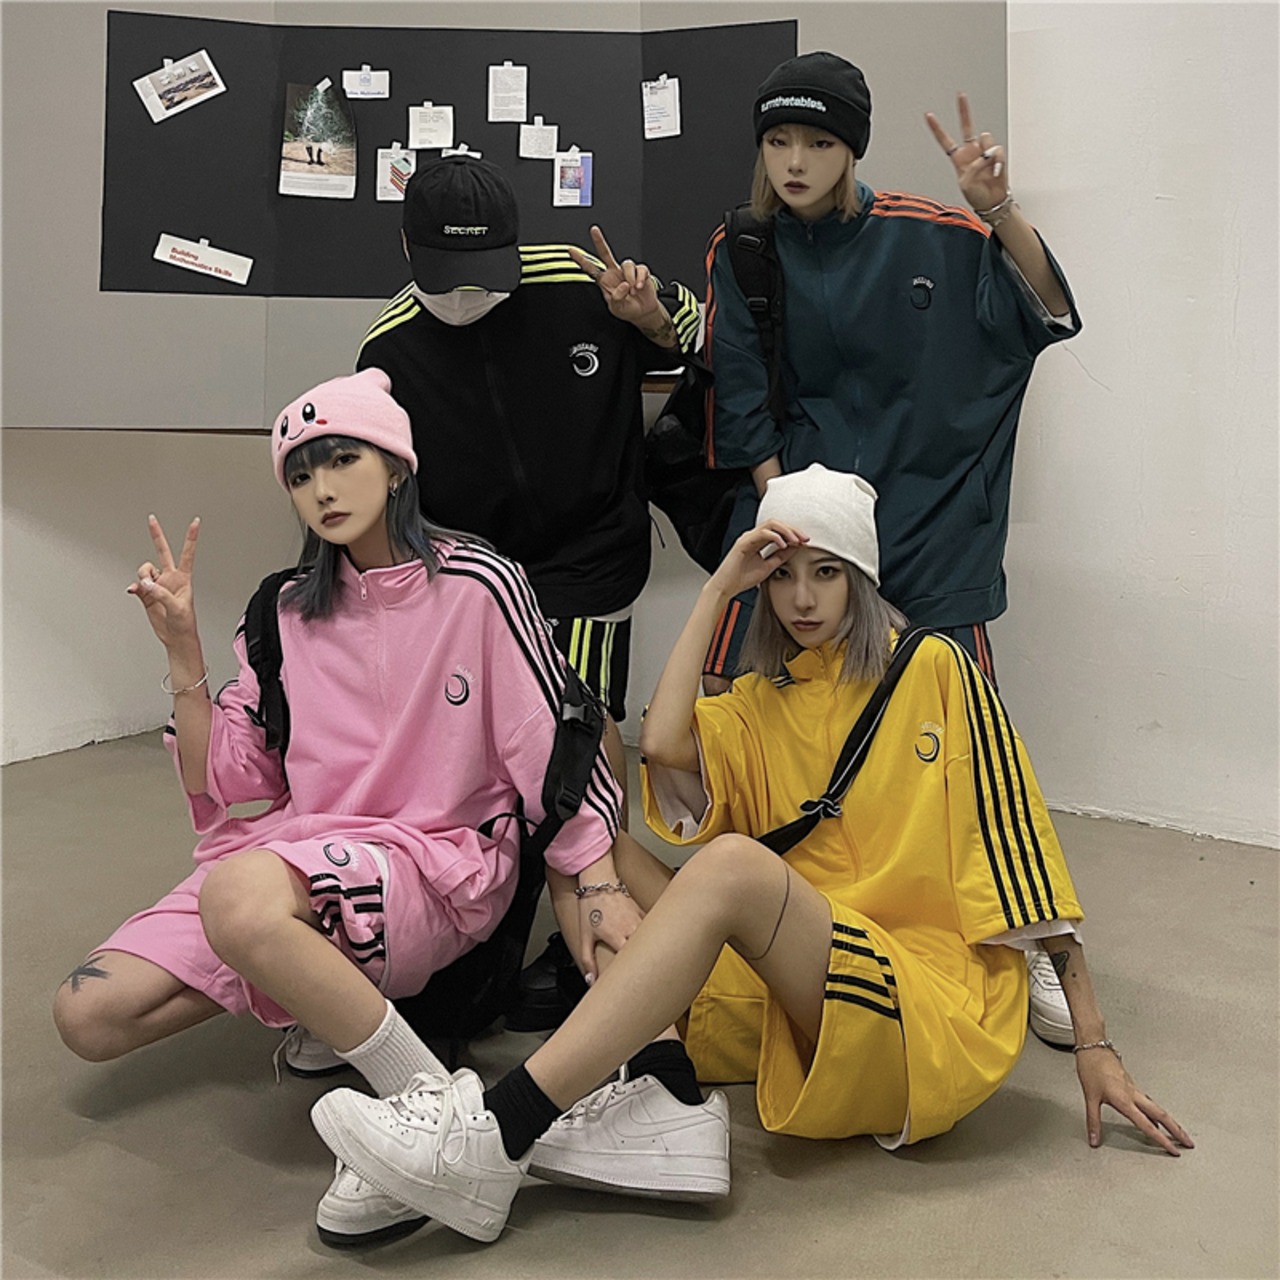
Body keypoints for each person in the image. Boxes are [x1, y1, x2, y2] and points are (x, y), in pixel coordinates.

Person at [308, 464, 1191, 1246]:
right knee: (586, 839)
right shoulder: (766, 700)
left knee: (728, 864)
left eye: (826, 573)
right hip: (794, 985)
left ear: (861, 579)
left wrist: (1093, 1042)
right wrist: (720, 586)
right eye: (784, 578)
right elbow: (661, 742)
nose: (802, 599)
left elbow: (1025, 857)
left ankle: (497, 1130)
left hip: (918, 1004)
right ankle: (662, 1087)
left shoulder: (935, 670)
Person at [51, 368, 667, 1248]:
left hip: (437, 864)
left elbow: (553, 742)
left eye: (344, 459)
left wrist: (594, 881)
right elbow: (228, 776)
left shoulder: (479, 583)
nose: (323, 488)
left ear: (396, 464)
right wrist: (183, 650)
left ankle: (437, 1114)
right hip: (303, 854)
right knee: (88, 1014)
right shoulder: (283, 610)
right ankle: (333, 1006)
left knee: (239, 897)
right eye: (302, 473)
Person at [699, 51, 1081, 1042]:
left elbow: (1044, 312)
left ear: (852, 149)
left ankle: (1029, 939)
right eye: (778, 141)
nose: (794, 162)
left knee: (967, 746)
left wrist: (998, 209)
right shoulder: (744, 250)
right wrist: (792, 539)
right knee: (760, 720)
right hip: (810, 537)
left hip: (931, 524)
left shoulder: (934, 233)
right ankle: (775, 917)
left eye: (818, 142)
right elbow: (743, 410)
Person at [358, 152, 702, 1031]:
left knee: (574, 738)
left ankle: (607, 949)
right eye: (449, 273)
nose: (469, 293)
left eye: (486, 269)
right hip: (479, 577)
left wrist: (650, 316)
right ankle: (502, 942)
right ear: (407, 248)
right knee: (500, 766)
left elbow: (701, 334)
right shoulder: (386, 351)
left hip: (594, 554)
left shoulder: (584, 281)